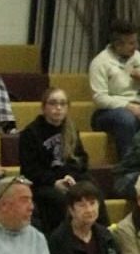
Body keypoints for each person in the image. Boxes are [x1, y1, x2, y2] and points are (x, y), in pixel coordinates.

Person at [18, 87, 95, 232]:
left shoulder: (71, 129)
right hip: (43, 184)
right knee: (58, 199)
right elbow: (30, 170)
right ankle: (61, 239)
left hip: (68, 179)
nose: (58, 108)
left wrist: (71, 177)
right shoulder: (30, 133)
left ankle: (100, 234)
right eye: (53, 103)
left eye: (62, 104)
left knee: (92, 190)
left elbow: (82, 160)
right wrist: (54, 182)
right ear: (44, 107)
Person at [89, 20, 140, 162]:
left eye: (135, 42)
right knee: (126, 119)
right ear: (118, 44)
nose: (136, 47)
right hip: (107, 112)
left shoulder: (137, 56)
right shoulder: (100, 62)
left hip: (138, 106)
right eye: (131, 43)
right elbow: (100, 98)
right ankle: (128, 167)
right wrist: (128, 106)